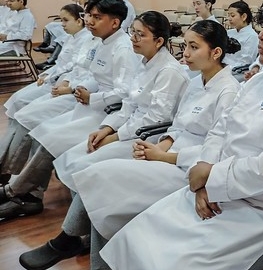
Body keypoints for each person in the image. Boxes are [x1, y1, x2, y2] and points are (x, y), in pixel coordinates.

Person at [98, 0, 263, 268]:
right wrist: (206, 167)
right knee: (137, 236)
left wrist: (212, 178)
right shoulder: (262, 79)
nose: (262, 35)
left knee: (170, 262)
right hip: (219, 190)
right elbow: (222, 127)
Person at [18, 18, 233, 270]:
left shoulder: (228, 92)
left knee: (102, 182)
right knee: (100, 183)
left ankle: (68, 241)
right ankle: (77, 246)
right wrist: (160, 148)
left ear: (216, 52)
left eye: (193, 47)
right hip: (164, 151)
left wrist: (163, 155)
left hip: (187, 168)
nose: (185, 53)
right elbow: (176, 126)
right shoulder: (197, 82)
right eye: (185, 45)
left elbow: (215, 147)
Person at [0, 0, 138, 220]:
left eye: (97, 17)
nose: (89, 21)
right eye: (89, 15)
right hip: (88, 104)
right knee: (42, 132)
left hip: (106, 113)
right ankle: (25, 194)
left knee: (49, 138)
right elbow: (97, 77)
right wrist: (82, 89)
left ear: (115, 22)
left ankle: (15, 192)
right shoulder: (104, 43)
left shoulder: (122, 48)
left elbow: (123, 92)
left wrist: (89, 96)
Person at [53, 10, 191, 192]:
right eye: (133, 32)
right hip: (130, 127)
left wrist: (115, 137)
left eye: (141, 35)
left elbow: (155, 119)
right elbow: (129, 102)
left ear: (159, 41)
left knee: (84, 168)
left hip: (147, 136)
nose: (133, 38)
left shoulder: (169, 71)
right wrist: (107, 128)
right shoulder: (145, 63)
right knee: (74, 158)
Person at [0, 3, 94, 186]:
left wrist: (70, 86)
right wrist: (49, 74)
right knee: (17, 106)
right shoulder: (77, 38)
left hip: (76, 92)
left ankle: (8, 170)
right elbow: (68, 65)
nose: (90, 21)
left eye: (94, 17)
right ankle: (5, 164)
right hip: (64, 83)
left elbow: (89, 75)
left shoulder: (95, 42)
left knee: (26, 115)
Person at [225, 0, 258, 79]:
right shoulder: (228, 33)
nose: (229, 18)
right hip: (223, 68)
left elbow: (245, 62)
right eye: (228, 15)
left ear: (243, 17)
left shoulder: (252, 36)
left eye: (232, 16)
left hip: (237, 72)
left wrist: (225, 69)